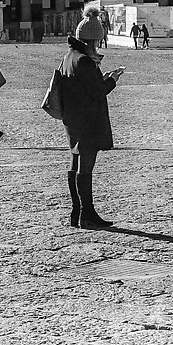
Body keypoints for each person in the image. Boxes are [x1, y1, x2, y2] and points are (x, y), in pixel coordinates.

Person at [47, 31, 121, 229]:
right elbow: (98, 92)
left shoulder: (69, 57)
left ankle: (76, 212)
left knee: (75, 162)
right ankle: (87, 213)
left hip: (72, 119)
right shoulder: (85, 61)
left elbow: (82, 85)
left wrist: (101, 78)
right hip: (87, 120)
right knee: (86, 166)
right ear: (92, 40)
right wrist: (113, 80)